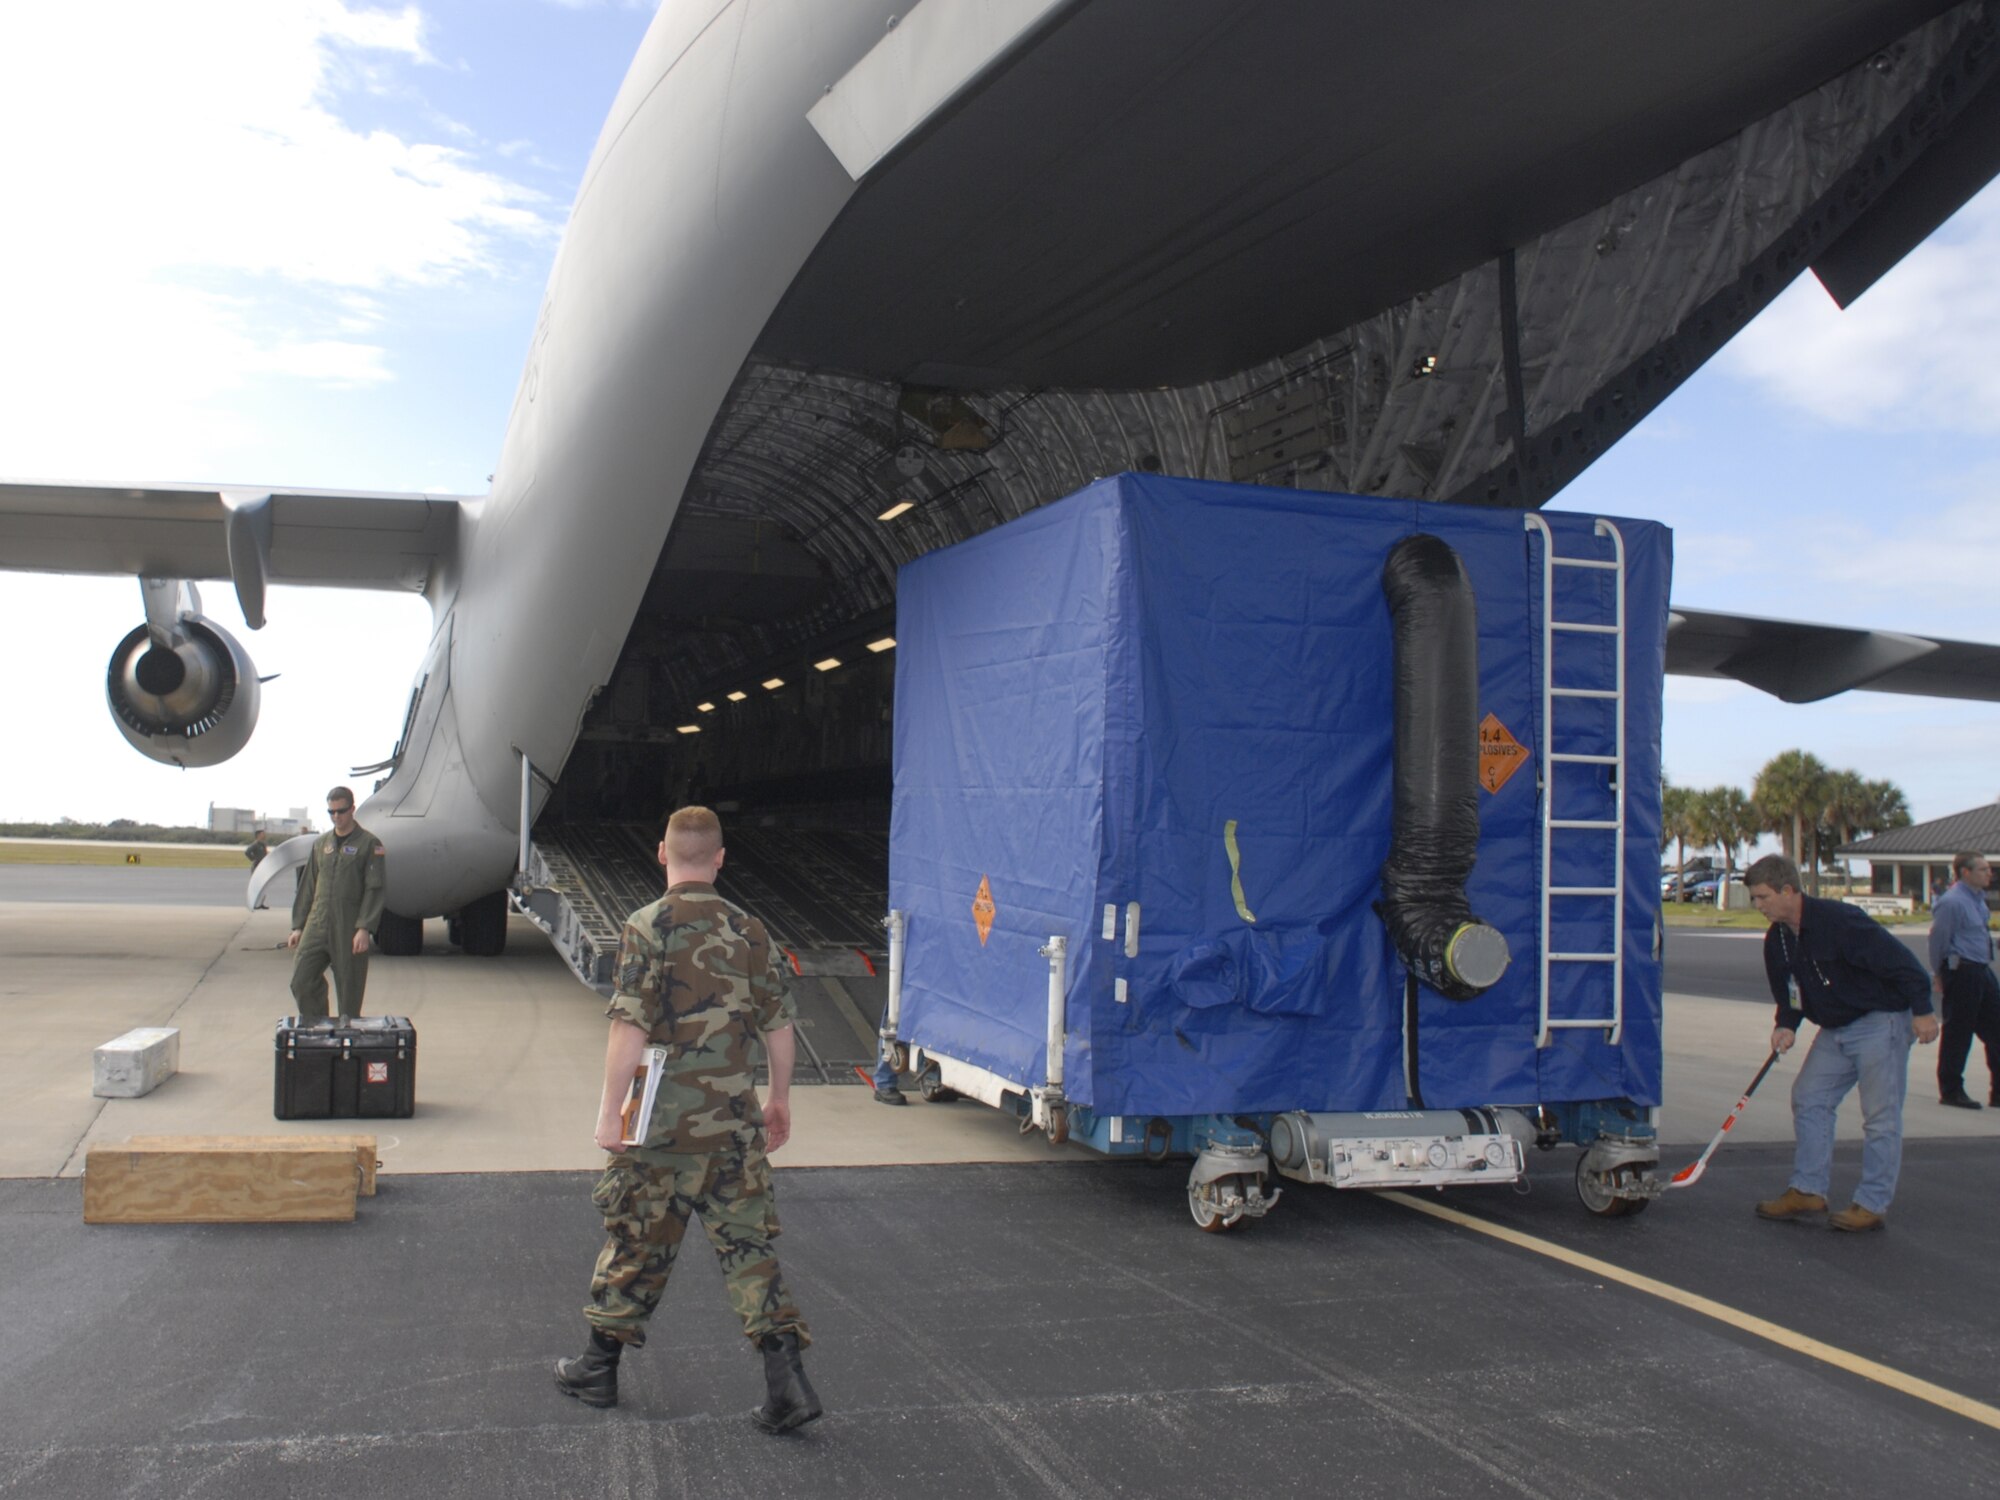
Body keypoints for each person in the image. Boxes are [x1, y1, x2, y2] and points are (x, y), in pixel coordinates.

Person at [554, 805, 821, 1432]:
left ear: (662, 853)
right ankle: (788, 1383)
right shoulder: (752, 931)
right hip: (732, 1125)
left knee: (636, 1238)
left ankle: (599, 1368)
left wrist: (609, 1115)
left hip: (661, 1127)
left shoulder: (647, 927)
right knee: (749, 1250)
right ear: (720, 858)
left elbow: (629, 1026)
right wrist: (778, 1100)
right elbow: (779, 1025)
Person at [1746, 853, 1938, 1232]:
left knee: (1880, 1116)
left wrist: (1923, 1011)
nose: (1757, 906)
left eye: (1763, 897)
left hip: (1880, 1021)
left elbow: (1904, 965)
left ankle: (1871, 1202)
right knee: (1809, 1097)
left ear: (1788, 890)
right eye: (1754, 898)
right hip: (1835, 1028)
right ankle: (1808, 1189)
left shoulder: (1841, 922)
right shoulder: (1778, 941)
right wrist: (1786, 1024)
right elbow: (1790, 993)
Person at [286, 787, 386, 1019]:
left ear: (352, 809)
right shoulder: (322, 844)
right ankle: (318, 1025)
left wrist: (364, 928)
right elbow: (308, 885)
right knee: (301, 980)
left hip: (348, 926)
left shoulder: (370, 844)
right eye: (331, 812)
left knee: (349, 991)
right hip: (318, 922)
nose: (336, 817)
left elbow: (375, 888)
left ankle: (345, 1040)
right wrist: (298, 926)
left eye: (341, 811)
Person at [1928, 851, 1999, 1109]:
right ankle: (1951, 1090)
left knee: (1996, 1029)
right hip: (1962, 971)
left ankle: (1998, 1091)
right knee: (1959, 1032)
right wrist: (1939, 973)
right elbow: (1938, 940)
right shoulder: (1953, 902)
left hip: (1981, 969)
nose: (1989, 873)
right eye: (1983, 869)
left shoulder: (1978, 899)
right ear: (1965, 873)